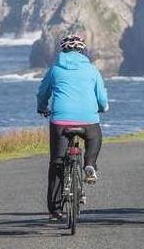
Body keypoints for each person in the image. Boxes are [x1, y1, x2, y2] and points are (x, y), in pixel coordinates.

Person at [36, 34, 109, 221]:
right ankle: (90, 164)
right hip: (88, 119)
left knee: (57, 162)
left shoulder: (54, 70)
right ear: (83, 51)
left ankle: (55, 210)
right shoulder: (92, 70)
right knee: (94, 137)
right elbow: (101, 96)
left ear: (63, 50)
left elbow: (43, 92)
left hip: (60, 121)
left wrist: (42, 107)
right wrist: (103, 107)